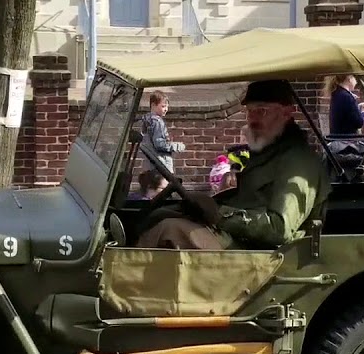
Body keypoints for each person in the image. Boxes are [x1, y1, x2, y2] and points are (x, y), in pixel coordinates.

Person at [135, 79, 331, 250]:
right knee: (161, 214)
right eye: (249, 111)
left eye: (261, 111)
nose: (253, 119)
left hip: (260, 254)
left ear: (287, 113)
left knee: (168, 230)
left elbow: (279, 228)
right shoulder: (270, 149)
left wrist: (220, 215)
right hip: (237, 238)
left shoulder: (297, 161)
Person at [141, 91, 185, 172]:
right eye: (163, 106)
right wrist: (177, 146)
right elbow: (160, 144)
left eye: (167, 107)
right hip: (161, 162)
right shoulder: (157, 122)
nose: (166, 109)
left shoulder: (147, 120)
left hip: (150, 161)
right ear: (153, 105)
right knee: (165, 183)